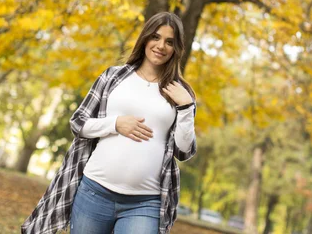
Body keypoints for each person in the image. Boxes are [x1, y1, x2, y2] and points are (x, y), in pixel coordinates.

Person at [21, 12, 197, 234]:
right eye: (155, 37)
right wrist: (115, 124)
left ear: (176, 48)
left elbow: (183, 151)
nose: (161, 46)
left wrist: (185, 107)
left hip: (145, 203)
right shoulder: (113, 77)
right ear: (145, 39)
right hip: (94, 192)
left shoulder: (181, 93)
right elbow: (78, 123)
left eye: (169, 42)